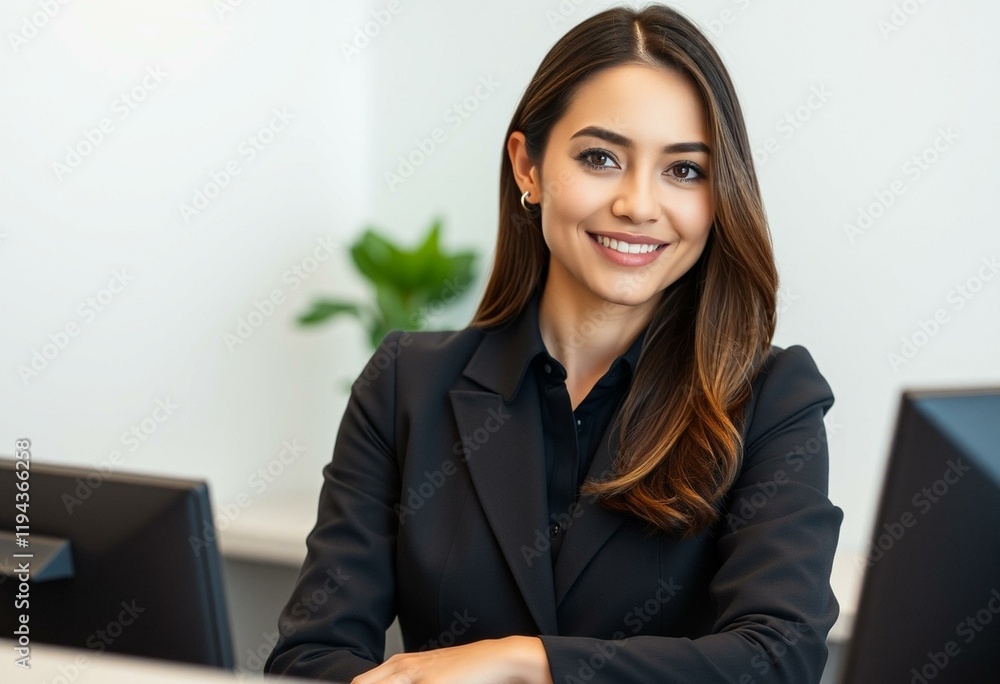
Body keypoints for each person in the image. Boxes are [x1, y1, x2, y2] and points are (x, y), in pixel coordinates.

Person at [264, 4, 843, 683]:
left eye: (684, 170)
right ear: (528, 167)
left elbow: (779, 657)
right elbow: (310, 656)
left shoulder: (772, 398)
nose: (638, 204)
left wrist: (524, 662)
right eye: (601, 158)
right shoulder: (405, 386)